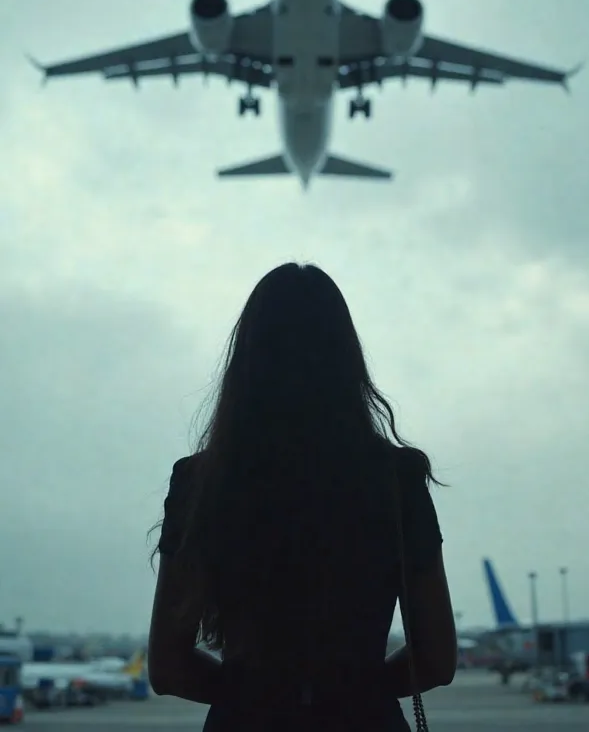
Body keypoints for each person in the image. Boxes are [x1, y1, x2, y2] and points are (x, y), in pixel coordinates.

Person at [147, 262, 457, 731]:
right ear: (347, 358)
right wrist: (350, 696)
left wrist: (258, 700)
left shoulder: (201, 482)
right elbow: (435, 660)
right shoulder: (396, 478)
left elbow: (168, 668)